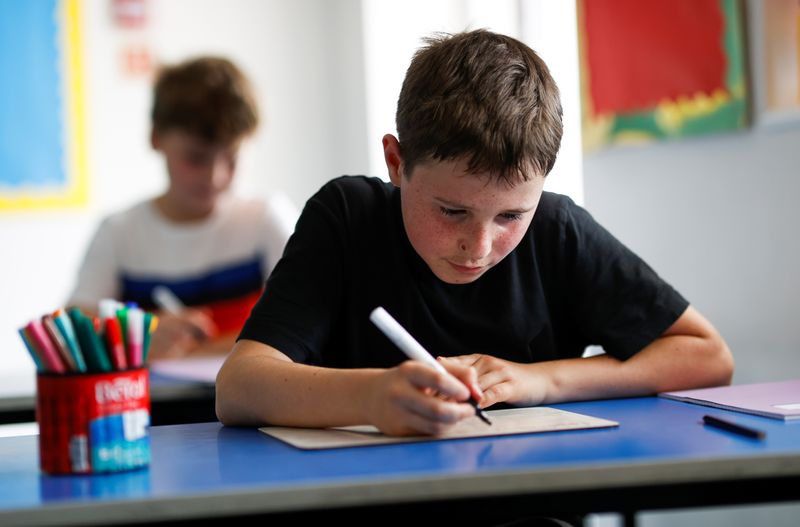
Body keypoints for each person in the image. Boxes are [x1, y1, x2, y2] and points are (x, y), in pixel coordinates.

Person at [216, 28, 732, 441]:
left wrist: (543, 380)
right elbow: (238, 387)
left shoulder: (556, 229)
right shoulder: (348, 217)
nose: (480, 247)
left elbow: (707, 356)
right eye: (452, 210)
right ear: (397, 163)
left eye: (510, 216)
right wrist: (371, 396)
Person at [68, 56, 298, 360]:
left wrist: (198, 350)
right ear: (156, 139)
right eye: (196, 158)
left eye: (231, 158)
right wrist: (141, 335)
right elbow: (72, 329)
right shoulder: (119, 233)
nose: (215, 176)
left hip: (251, 405)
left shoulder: (265, 220)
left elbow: (312, 318)